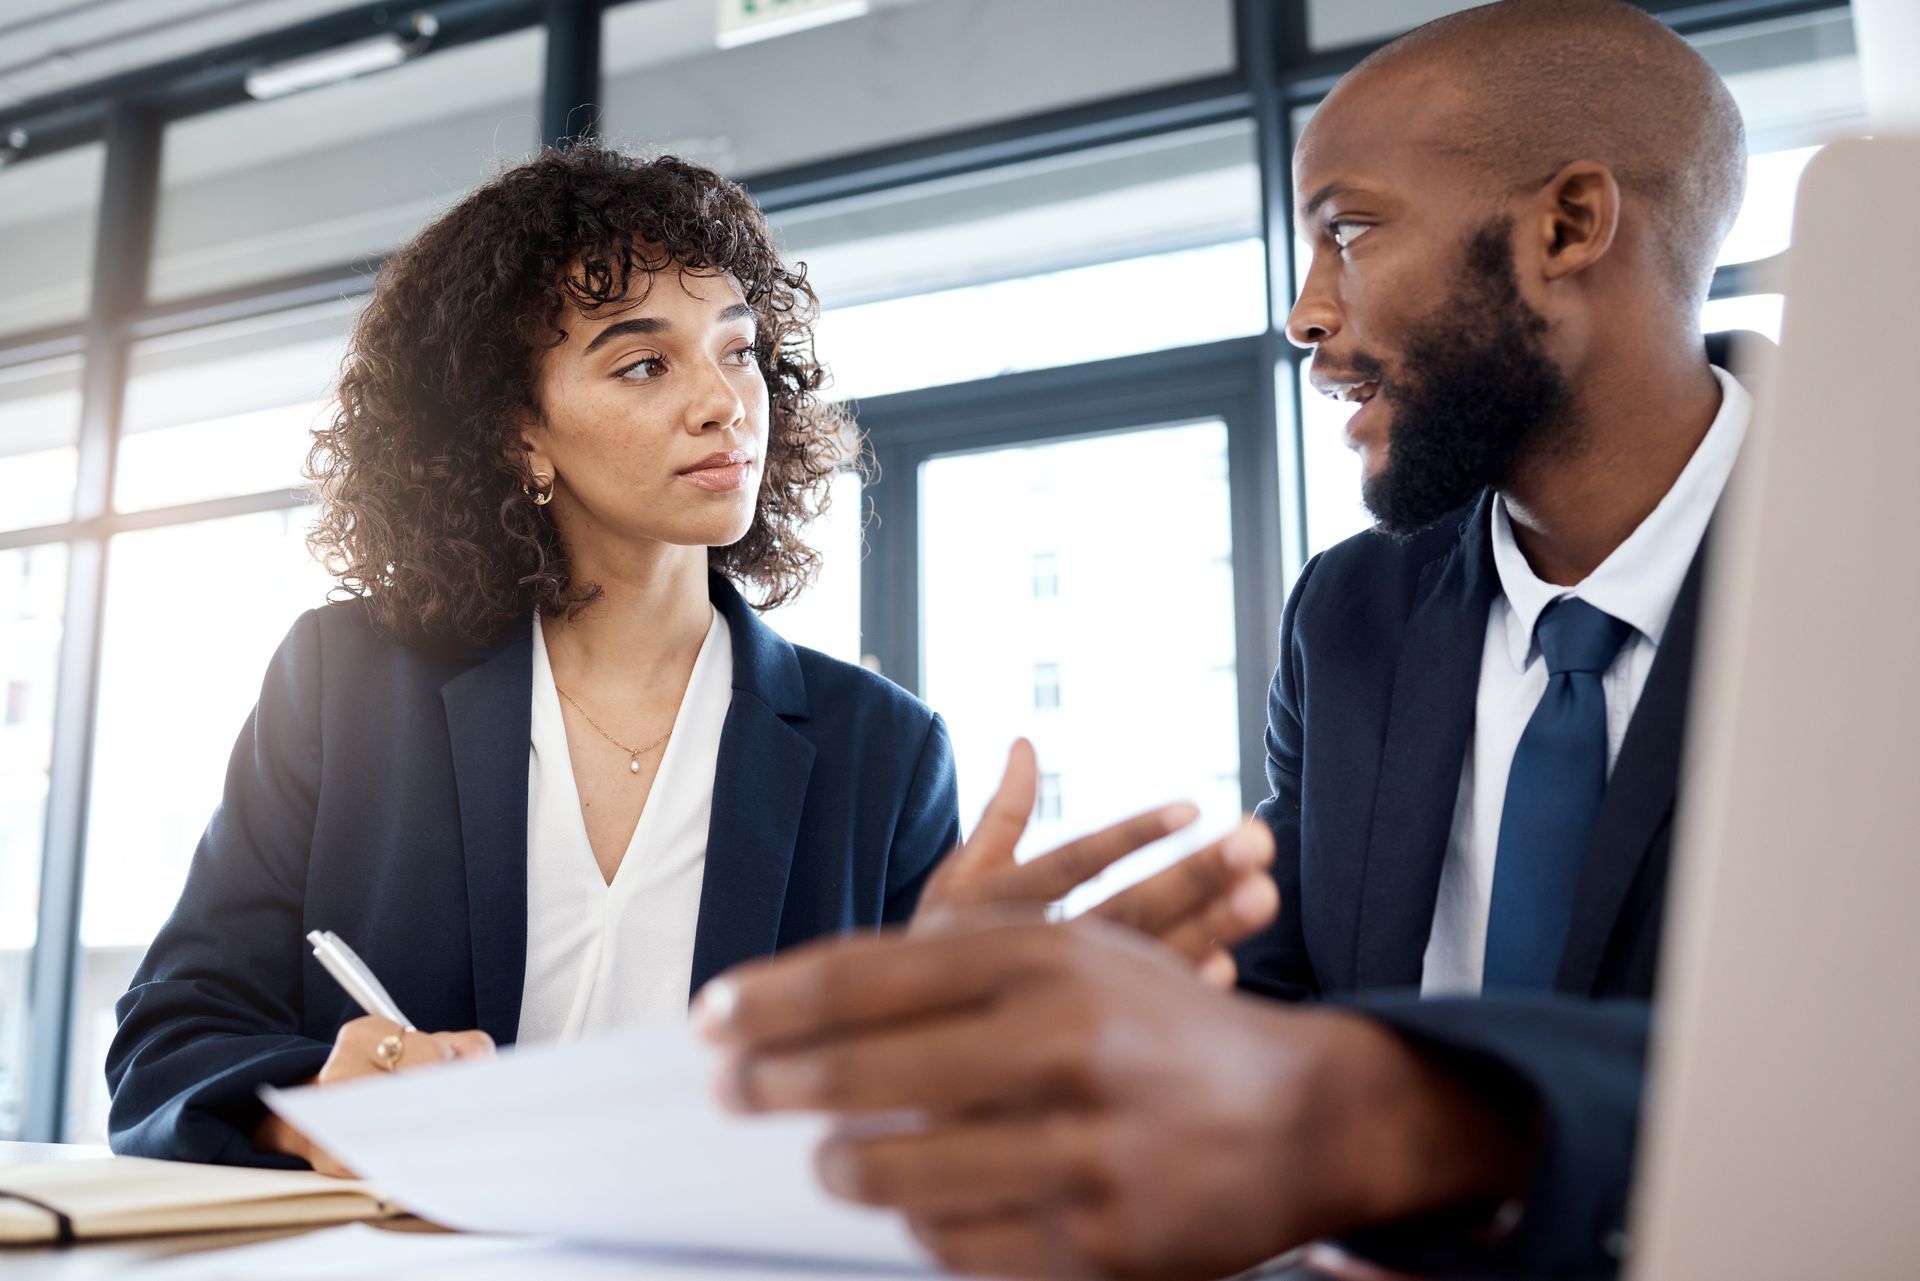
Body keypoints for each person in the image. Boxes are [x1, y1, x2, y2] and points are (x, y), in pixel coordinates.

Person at [695, 2, 1756, 1276]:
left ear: (1568, 227)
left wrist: (1399, 1118)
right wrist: (1063, 1014)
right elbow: (1283, 1004)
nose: (1306, 316)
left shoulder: (1874, 558)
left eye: (1349, 232)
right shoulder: (1351, 613)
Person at [105, 146, 1278, 1174]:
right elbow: (170, 1037)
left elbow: (930, 1115)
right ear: (518, 436)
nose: (727, 404)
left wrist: (987, 1026)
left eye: (740, 351)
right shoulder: (346, 685)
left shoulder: (882, 751)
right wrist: (315, 1105)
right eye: (643, 364)